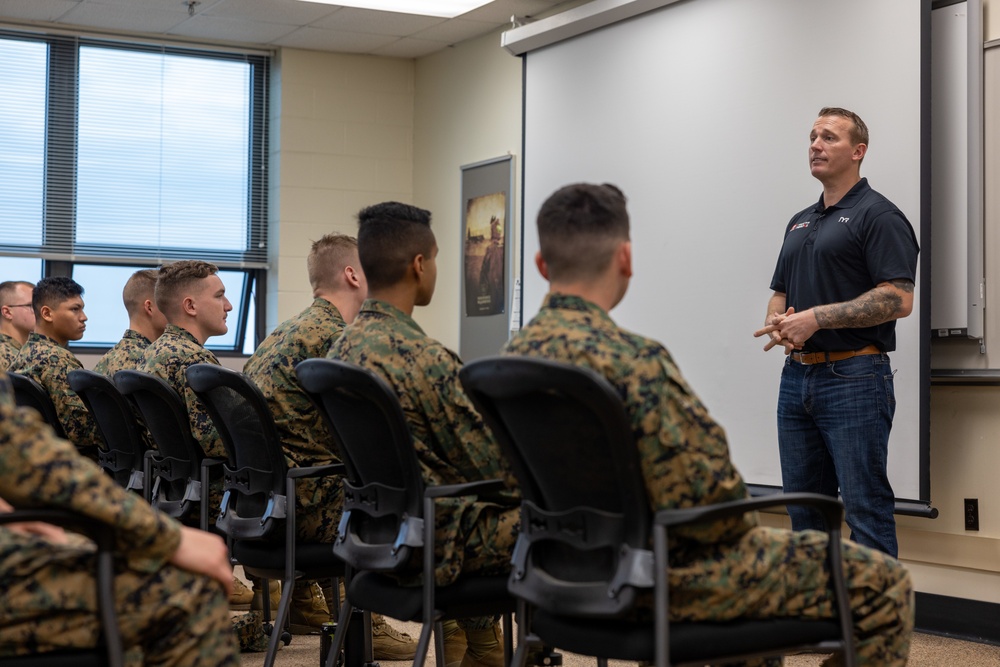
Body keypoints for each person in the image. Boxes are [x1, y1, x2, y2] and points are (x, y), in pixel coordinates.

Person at [504, 182, 914, 666]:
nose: (816, 144)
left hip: (552, 575)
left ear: (541, 265)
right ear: (626, 260)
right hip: (654, 579)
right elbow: (713, 498)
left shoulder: (509, 364)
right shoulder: (637, 364)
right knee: (885, 584)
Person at [328, 202, 520, 667]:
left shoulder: (337, 350)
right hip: (434, 542)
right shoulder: (427, 359)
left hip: (368, 533)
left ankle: (479, 647)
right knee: (565, 525)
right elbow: (496, 471)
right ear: (419, 265)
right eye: (434, 258)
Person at [754, 107, 919, 558]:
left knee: (865, 509)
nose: (815, 144)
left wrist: (817, 319)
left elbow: (898, 300)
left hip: (855, 378)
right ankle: (820, 622)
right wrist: (780, 322)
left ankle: (874, 627)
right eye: (812, 136)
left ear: (858, 151)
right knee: (804, 512)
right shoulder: (800, 221)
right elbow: (780, 291)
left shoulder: (878, 215)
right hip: (797, 379)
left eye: (828, 137)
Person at [244, 234, 416, 654]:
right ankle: (365, 617)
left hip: (264, 503)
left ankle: (316, 604)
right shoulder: (338, 341)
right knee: (419, 496)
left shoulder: (282, 333)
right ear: (353, 274)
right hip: (304, 507)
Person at [0, 372, 238, 664]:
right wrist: (168, 537)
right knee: (190, 593)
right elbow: (22, 451)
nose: (85, 321)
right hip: (215, 497)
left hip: (158, 490)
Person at [139, 260, 232, 461]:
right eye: (219, 296)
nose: (229, 306)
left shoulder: (152, 351)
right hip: (211, 486)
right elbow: (219, 443)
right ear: (190, 306)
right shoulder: (194, 360)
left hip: (173, 485)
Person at [9, 276, 102, 461]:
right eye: (75, 309)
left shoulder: (24, 353)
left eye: (82, 309)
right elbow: (81, 431)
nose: (84, 317)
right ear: (47, 313)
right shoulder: (57, 360)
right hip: (68, 465)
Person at [94, 269, 168, 377]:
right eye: (167, 304)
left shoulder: (108, 358)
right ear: (149, 307)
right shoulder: (150, 360)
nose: (175, 311)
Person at [0, 281, 34, 370]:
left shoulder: (25, 352)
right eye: (31, 306)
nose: (40, 312)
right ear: (7, 312)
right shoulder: (6, 356)